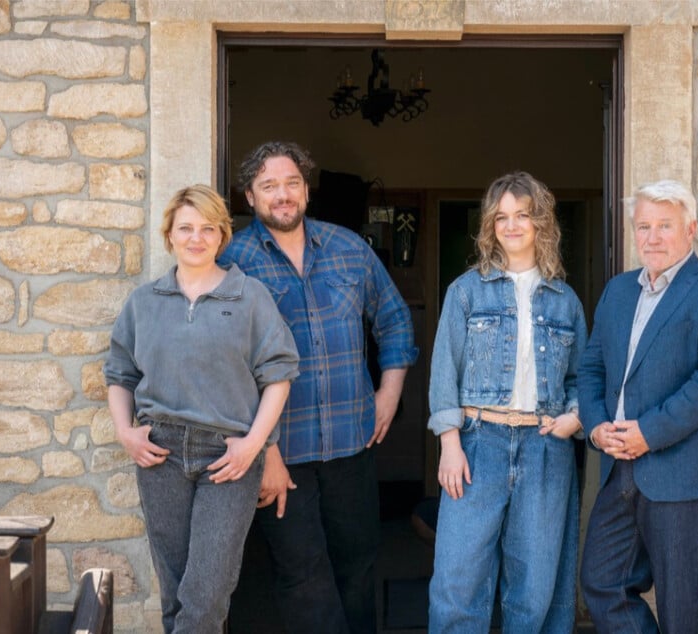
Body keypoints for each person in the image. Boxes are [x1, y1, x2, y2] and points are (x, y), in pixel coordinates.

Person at [219, 141, 417, 633]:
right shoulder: (231, 262)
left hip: (353, 444)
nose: (282, 195)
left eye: (291, 183)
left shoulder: (350, 248)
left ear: (306, 190)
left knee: (358, 568)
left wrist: (389, 392)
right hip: (283, 455)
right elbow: (225, 367)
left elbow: (393, 320)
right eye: (268, 186)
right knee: (303, 577)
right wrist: (264, 450)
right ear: (250, 196)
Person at [103, 184, 299, 633]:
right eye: (186, 228)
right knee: (175, 593)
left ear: (222, 236)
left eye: (208, 228)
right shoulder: (145, 302)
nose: (197, 238)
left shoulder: (249, 297)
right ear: (169, 234)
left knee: (206, 593)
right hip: (161, 452)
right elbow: (119, 375)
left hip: (228, 456)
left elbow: (279, 376)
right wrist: (124, 431)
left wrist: (255, 444)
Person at [578, 179, 698, 633]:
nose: (652, 237)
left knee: (681, 609)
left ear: (690, 230)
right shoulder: (618, 292)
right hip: (619, 467)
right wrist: (596, 426)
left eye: (664, 226)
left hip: (683, 471)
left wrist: (648, 433)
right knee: (602, 583)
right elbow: (592, 368)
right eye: (643, 227)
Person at [427, 171, 586, 633]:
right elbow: (444, 373)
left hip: (544, 448)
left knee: (535, 591)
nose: (511, 226)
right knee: (459, 584)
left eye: (522, 215)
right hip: (477, 446)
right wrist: (449, 444)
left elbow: (580, 378)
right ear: (490, 226)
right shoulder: (465, 291)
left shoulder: (565, 301)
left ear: (541, 223)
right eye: (501, 217)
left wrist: (574, 418)